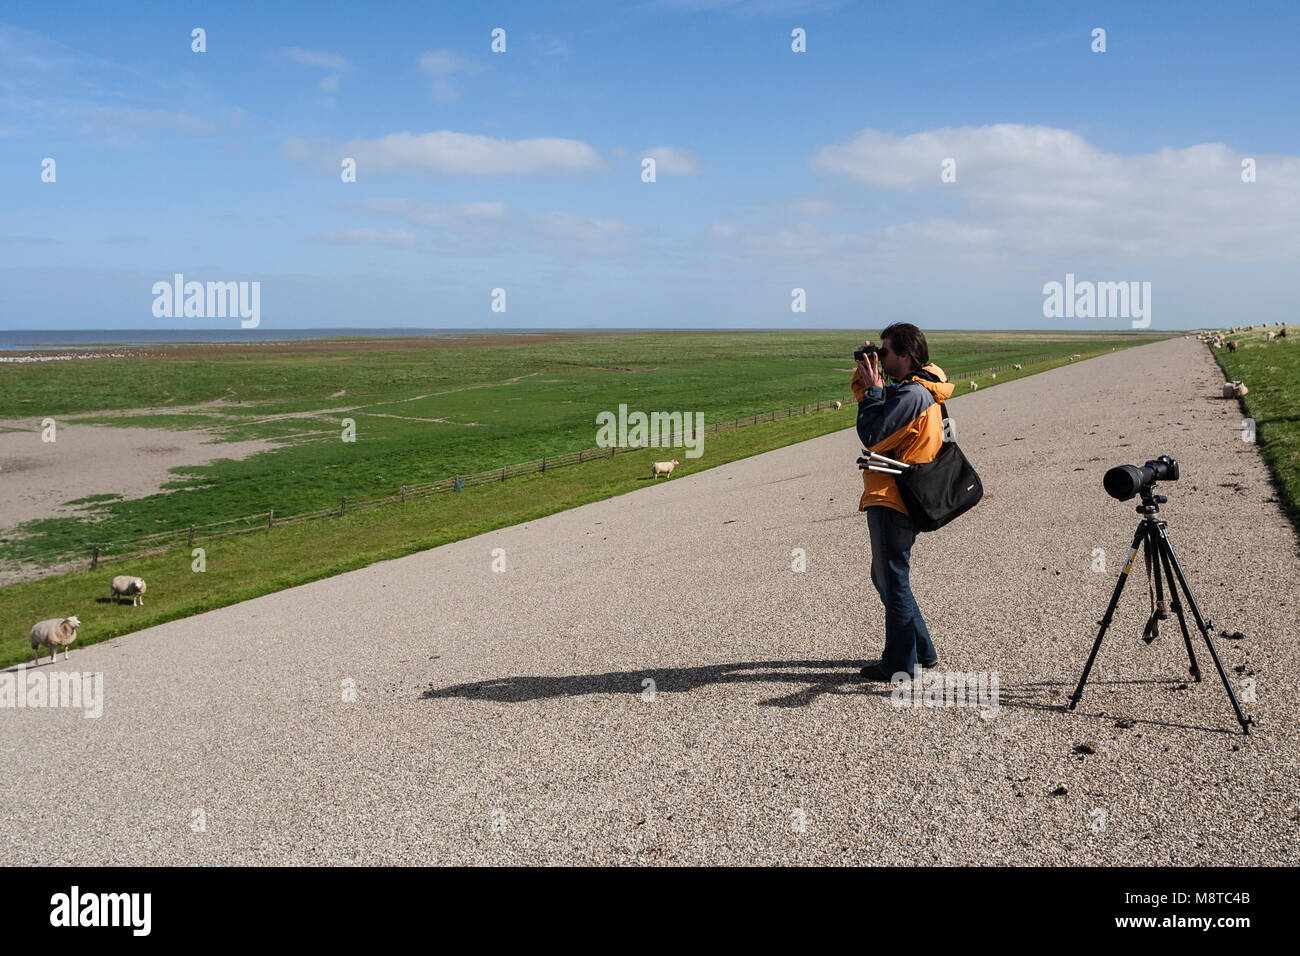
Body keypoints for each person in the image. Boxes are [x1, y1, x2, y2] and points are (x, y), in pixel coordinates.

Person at [850, 323, 954, 682]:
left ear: (906, 355)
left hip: (892, 498)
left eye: (886, 351)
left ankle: (899, 665)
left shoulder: (912, 396)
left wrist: (876, 393)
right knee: (887, 576)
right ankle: (923, 650)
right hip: (896, 494)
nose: (882, 355)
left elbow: (873, 436)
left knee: (892, 580)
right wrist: (869, 378)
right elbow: (874, 408)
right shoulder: (918, 386)